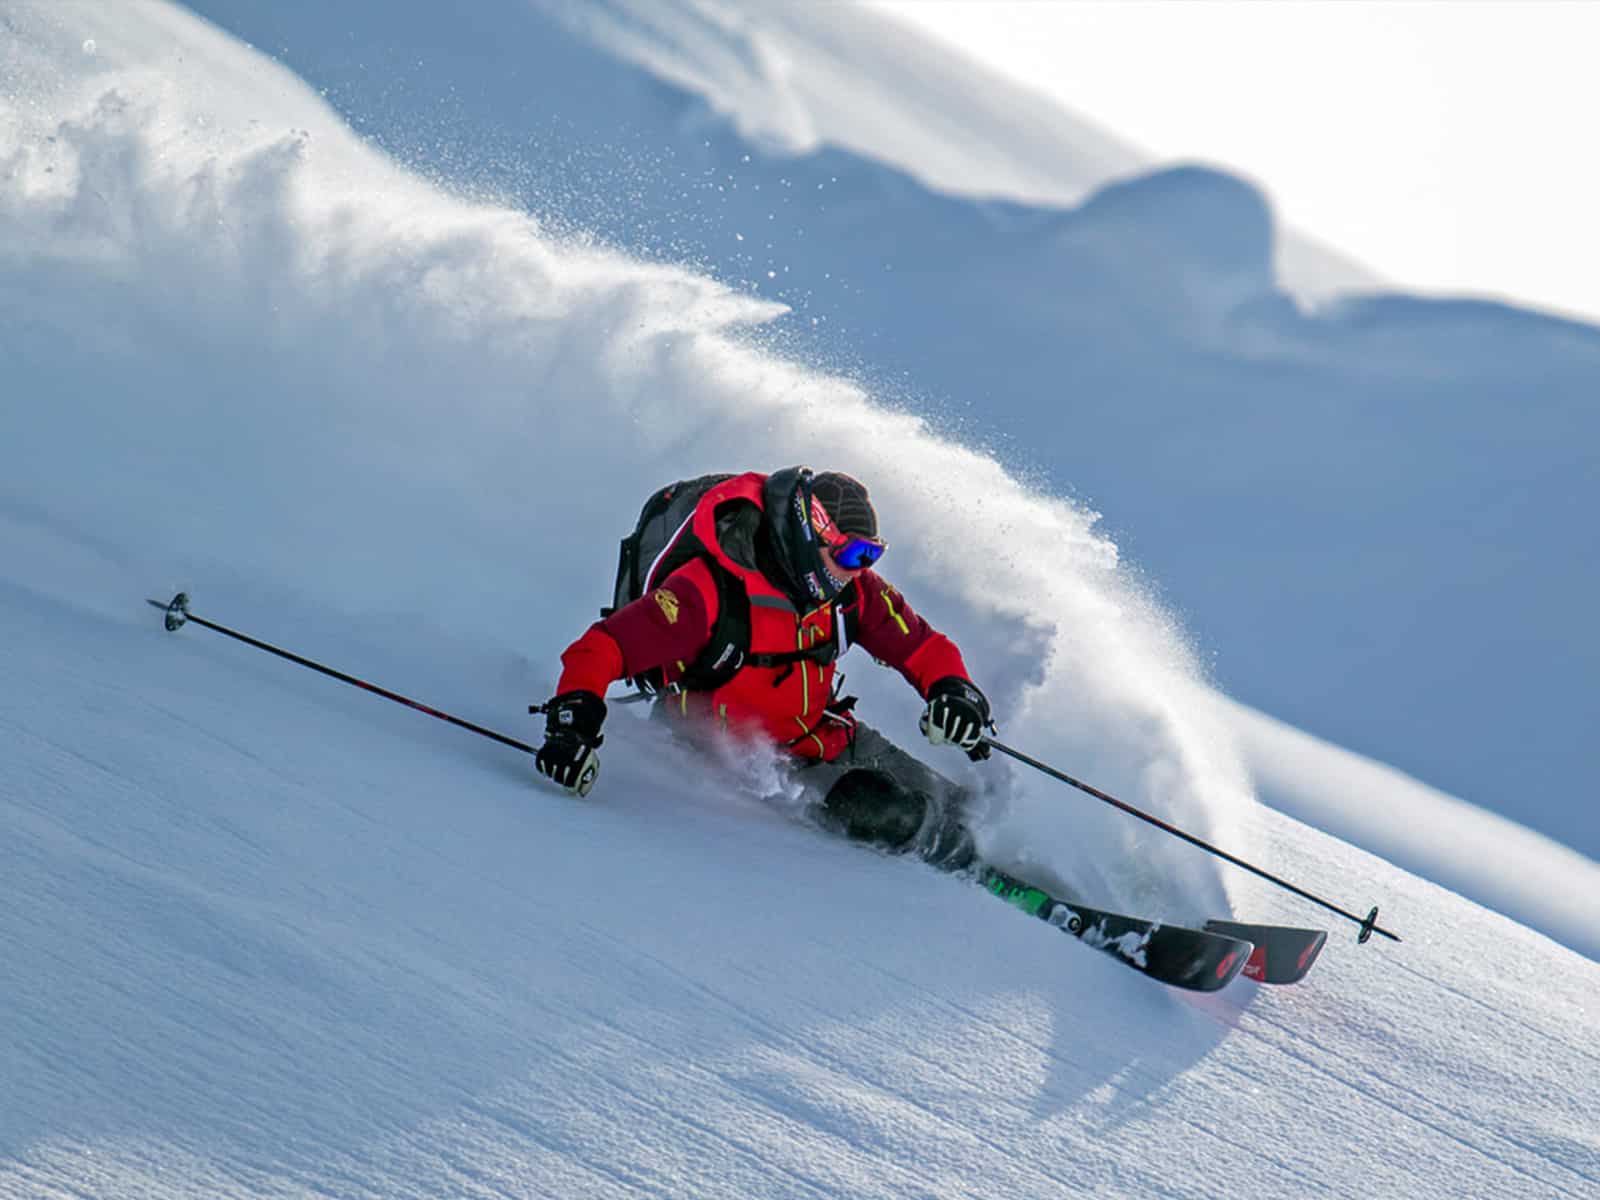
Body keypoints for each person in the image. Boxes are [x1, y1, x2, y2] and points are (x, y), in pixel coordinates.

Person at [535, 466, 994, 870]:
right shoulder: (708, 591)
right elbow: (603, 648)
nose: (860, 570)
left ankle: (987, 856)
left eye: (870, 556)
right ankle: (953, 864)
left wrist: (953, 691)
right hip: (736, 769)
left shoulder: (852, 592)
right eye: (853, 555)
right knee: (878, 809)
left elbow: (920, 645)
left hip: (830, 737)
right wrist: (571, 725)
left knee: (964, 809)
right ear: (811, 537)